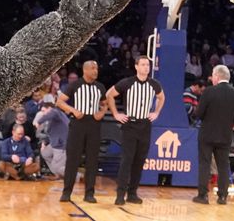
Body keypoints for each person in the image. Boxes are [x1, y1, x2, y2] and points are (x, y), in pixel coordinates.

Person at [105, 54, 164, 205]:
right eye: (143, 64)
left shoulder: (154, 84)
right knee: (127, 160)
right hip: (130, 125)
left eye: (148, 65)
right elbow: (109, 95)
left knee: (139, 161)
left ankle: (132, 193)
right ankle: (120, 194)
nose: (146, 67)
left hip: (145, 125)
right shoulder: (127, 82)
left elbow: (162, 97)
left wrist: (156, 112)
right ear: (136, 66)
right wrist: (116, 114)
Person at [55, 59, 105, 203]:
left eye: (96, 68)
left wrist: (102, 112)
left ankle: (89, 193)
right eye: (93, 68)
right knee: (73, 159)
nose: (96, 71)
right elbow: (60, 102)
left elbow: (104, 103)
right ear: (85, 70)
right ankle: (67, 192)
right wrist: (73, 110)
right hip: (78, 123)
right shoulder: (75, 85)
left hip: (94, 124)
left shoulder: (100, 87)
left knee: (92, 160)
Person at [193, 64, 234, 205]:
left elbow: (198, 114)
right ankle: (222, 197)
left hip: (207, 134)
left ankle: (202, 196)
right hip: (225, 135)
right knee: (223, 166)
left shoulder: (208, 92)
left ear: (217, 76)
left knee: (204, 164)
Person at [34, 96, 67, 180]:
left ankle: (77, 176)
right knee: (45, 153)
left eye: (44, 111)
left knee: (58, 168)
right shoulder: (52, 120)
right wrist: (44, 143)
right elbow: (50, 134)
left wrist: (39, 121)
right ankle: (58, 175)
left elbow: (52, 113)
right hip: (55, 143)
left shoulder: (56, 112)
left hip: (62, 145)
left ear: (49, 109)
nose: (43, 113)